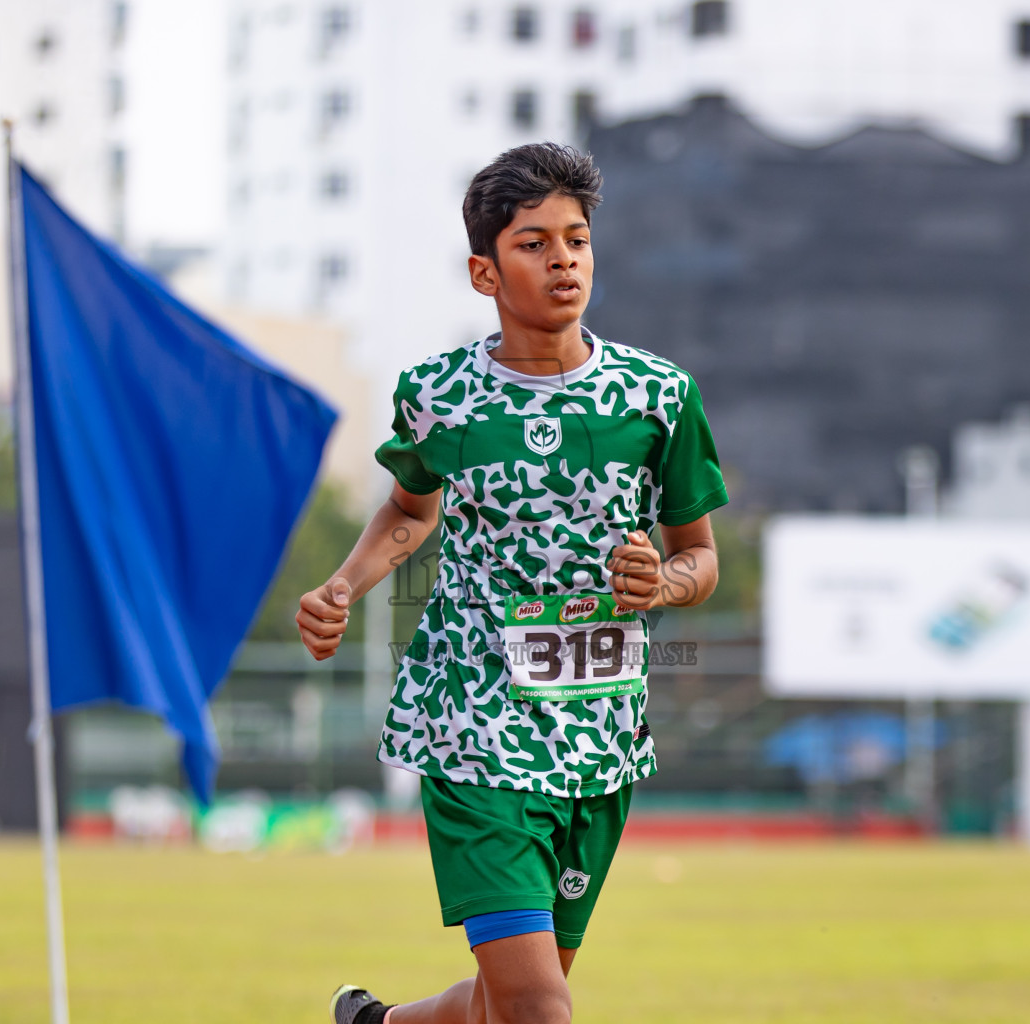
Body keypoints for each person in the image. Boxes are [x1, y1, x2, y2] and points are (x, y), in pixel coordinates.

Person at [297, 143, 727, 1024]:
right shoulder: (441, 398)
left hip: (601, 736)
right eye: (534, 244)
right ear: (484, 272)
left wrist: (665, 583)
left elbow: (700, 556)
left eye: (576, 239)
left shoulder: (659, 398)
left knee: (511, 1001)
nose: (563, 259)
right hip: (474, 727)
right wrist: (346, 584)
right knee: (541, 1011)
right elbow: (410, 512)